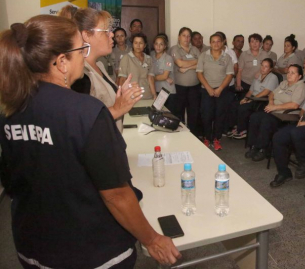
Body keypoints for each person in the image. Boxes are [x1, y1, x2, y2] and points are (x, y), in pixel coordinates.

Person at [0, 15, 181, 268]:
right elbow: (116, 195)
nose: (84, 55)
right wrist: (152, 239)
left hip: (33, 244)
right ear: (62, 62)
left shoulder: (10, 109)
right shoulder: (86, 111)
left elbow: (12, 181)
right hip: (90, 250)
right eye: (80, 49)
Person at [71, 8, 143, 133]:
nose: (112, 35)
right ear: (87, 35)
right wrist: (117, 109)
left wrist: (121, 93)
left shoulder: (99, 66)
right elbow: (81, 121)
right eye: (106, 31)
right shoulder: (81, 74)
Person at [246, 64, 305, 162]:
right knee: (255, 117)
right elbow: (272, 94)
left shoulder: (301, 87)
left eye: (293, 73)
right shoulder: (284, 83)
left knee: (266, 121)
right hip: (274, 111)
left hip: (286, 116)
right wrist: (271, 102)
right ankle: (254, 146)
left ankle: (263, 149)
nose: (289, 75)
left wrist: (275, 107)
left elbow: (294, 105)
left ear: (299, 76)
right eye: (288, 72)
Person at [196, 33, 234, 151]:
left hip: (221, 91)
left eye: (218, 41)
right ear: (210, 43)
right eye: (213, 41)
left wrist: (220, 89)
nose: (216, 44)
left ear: (222, 43)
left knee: (219, 116)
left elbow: (229, 75)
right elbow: (199, 73)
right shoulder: (203, 56)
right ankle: (207, 138)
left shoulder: (227, 57)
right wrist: (208, 88)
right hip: (206, 90)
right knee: (206, 115)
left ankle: (217, 139)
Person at [230, 58, 279, 139]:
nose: (263, 68)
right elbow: (250, 91)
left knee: (243, 107)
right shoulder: (258, 76)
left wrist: (251, 99)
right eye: (262, 65)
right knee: (235, 104)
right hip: (253, 99)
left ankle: (243, 130)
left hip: (262, 101)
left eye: (266, 67)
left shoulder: (273, 77)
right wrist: (245, 98)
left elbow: (266, 92)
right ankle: (236, 126)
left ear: (270, 69)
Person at [169, 27, 201, 134]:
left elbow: (202, 64)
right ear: (179, 37)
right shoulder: (174, 49)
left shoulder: (195, 49)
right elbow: (180, 64)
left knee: (194, 112)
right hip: (179, 87)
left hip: (194, 87)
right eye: (184, 35)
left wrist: (187, 67)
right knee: (179, 112)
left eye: (188, 36)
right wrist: (195, 62)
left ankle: (194, 135)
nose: (186, 38)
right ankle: (180, 136)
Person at [118, 33, 157, 99]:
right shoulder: (126, 58)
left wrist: (154, 95)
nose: (138, 45)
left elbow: (150, 78)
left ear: (144, 45)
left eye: (141, 43)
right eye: (135, 43)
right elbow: (122, 79)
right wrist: (121, 96)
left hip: (147, 95)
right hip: (131, 96)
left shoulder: (149, 59)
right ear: (132, 44)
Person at [151, 34, 176, 112]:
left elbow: (164, 76)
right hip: (155, 90)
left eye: (161, 44)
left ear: (165, 46)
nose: (158, 46)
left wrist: (151, 78)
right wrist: (162, 77)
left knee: (167, 115)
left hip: (167, 92)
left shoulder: (168, 58)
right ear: (153, 45)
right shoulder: (150, 56)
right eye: (156, 44)